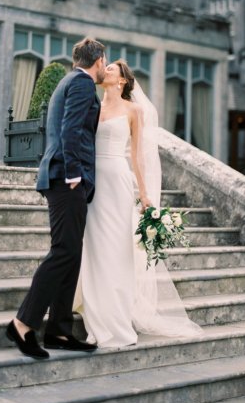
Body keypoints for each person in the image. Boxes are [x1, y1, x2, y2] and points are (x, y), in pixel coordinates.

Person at [76, 60, 203, 348]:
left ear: (121, 80)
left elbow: (138, 157)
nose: (105, 70)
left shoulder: (133, 110)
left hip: (119, 182)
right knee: (95, 248)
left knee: (118, 250)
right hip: (94, 184)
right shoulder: (93, 107)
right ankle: (96, 318)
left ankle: (118, 319)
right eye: (105, 67)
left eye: (111, 69)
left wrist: (144, 194)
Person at [6, 37, 106, 359]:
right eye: (104, 62)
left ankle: (60, 331)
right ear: (99, 60)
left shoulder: (69, 80)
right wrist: (75, 174)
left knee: (71, 253)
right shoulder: (81, 83)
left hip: (64, 178)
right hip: (66, 179)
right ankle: (23, 322)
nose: (105, 67)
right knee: (63, 251)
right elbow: (70, 129)